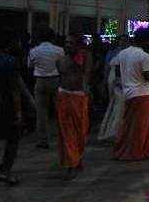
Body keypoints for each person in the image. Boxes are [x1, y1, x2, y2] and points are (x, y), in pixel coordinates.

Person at [113, 28, 149, 161]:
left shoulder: (122, 53)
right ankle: (136, 152)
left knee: (128, 124)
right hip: (142, 94)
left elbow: (117, 71)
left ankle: (124, 150)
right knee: (141, 126)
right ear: (145, 40)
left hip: (128, 93)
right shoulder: (144, 56)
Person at [56, 34, 92, 179]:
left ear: (78, 45)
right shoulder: (60, 60)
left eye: (71, 43)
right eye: (66, 43)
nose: (67, 45)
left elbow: (87, 75)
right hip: (64, 96)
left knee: (80, 131)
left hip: (79, 97)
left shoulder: (84, 57)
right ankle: (70, 163)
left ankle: (77, 158)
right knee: (66, 132)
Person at [27, 27, 64, 149]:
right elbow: (61, 67)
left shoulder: (33, 51)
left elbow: (30, 66)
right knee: (60, 111)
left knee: (41, 113)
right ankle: (63, 137)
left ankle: (43, 140)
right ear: (52, 37)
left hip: (40, 81)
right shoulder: (59, 50)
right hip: (55, 80)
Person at [0, 32, 24, 185]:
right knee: (12, 140)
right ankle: (5, 170)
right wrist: (19, 111)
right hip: (5, 105)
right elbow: (15, 90)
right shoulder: (10, 61)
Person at [98, 36, 128, 142]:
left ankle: (113, 131)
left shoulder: (118, 54)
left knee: (115, 107)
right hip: (117, 82)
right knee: (117, 107)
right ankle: (113, 132)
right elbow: (110, 68)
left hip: (117, 82)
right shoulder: (118, 54)